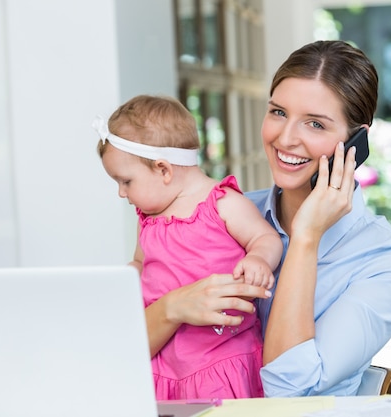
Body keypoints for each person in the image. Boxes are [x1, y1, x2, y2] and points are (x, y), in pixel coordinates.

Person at [140, 40, 391, 397]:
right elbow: (118, 353)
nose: (286, 138)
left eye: (315, 124)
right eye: (278, 112)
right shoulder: (227, 213)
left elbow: (289, 390)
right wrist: (173, 308)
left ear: (356, 143)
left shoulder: (388, 260)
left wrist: (306, 236)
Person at [94, 95, 283, 400]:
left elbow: (266, 238)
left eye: (125, 181)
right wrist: (129, 274)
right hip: (164, 362)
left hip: (219, 358)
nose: (121, 192)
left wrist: (259, 258)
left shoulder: (222, 203)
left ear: (164, 169)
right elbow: (141, 263)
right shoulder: (149, 217)